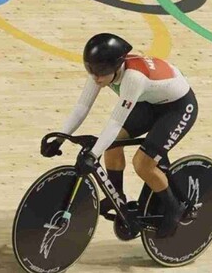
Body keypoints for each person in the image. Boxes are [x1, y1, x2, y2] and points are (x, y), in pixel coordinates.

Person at [40, 32, 199, 238]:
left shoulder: (133, 79)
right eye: (91, 70)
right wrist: (59, 138)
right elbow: (82, 106)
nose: (96, 78)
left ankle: (174, 208)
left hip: (178, 108)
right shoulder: (100, 72)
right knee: (112, 144)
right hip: (151, 103)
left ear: (116, 67)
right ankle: (117, 195)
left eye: (100, 72)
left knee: (143, 163)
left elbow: (115, 122)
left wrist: (93, 155)